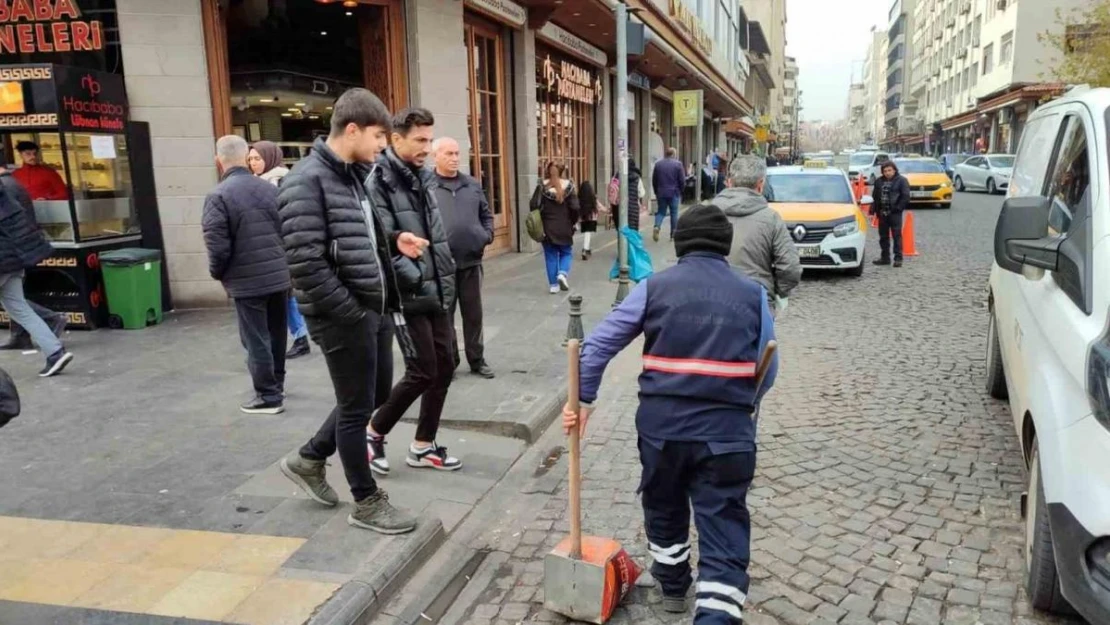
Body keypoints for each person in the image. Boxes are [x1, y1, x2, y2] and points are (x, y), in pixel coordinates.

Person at [563, 203, 777, 625]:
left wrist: (582, 402)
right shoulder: (753, 294)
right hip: (728, 434)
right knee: (723, 521)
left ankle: (674, 586)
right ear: (726, 246)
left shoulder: (654, 287)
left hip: (662, 431)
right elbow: (768, 371)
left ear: (679, 243)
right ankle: (715, 616)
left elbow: (597, 347)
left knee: (664, 506)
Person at [277, 88, 423, 534]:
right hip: (343, 316)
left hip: (370, 308)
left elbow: (354, 237)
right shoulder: (305, 182)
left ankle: (309, 458)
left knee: (372, 396)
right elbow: (305, 265)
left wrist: (392, 242)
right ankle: (366, 501)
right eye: (380, 135)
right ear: (353, 129)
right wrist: (353, 313)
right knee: (356, 408)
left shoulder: (354, 175)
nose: (384, 144)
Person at [366, 107, 462, 474]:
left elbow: (434, 238)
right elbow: (381, 242)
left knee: (446, 365)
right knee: (422, 369)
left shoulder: (423, 178)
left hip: (437, 289)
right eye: (420, 140)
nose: (427, 147)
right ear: (396, 139)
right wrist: (413, 274)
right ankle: (373, 432)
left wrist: (441, 275)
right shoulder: (379, 182)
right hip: (408, 292)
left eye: (429, 139)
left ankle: (423, 445)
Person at [202, 135, 291, 415]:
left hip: (247, 281)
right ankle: (277, 383)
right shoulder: (271, 190)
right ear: (245, 158)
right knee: (277, 333)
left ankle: (268, 396)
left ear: (219, 161)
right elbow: (288, 230)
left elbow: (217, 245)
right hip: (279, 275)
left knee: (255, 339)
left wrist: (219, 273)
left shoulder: (218, 196)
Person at [431, 137, 495, 380]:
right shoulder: (427, 186)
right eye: (448, 153)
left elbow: (486, 214)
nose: (455, 158)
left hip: (471, 262)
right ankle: (449, 362)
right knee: (445, 317)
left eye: (457, 153)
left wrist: (486, 235)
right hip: (441, 266)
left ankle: (477, 360)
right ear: (435, 156)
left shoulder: (472, 185)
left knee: (473, 315)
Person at [0, 183, 73, 377]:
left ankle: (55, 352)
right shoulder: (6, 194)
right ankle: (55, 352)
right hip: (14, 261)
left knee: (19, 308)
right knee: (19, 308)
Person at [716, 155, 802, 311]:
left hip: (712, 299)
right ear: (761, 184)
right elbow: (790, 268)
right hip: (756, 302)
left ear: (729, 183)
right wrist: (773, 290)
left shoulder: (705, 213)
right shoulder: (771, 219)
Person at [250, 141, 310, 360]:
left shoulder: (279, 180)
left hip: (283, 245)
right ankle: (299, 335)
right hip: (274, 246)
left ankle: (300, 336)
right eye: (251, 159)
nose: (253, 163)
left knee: (286, 293)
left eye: (258, 158)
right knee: (285, 294)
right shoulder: (259, 181)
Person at [532, 162, 579, 294]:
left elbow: (533, 204)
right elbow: (575, 207)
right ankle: (562, 274)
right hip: (565, 226)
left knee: (550, 255)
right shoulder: (569, 187)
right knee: (566, 252)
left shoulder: (542, 187)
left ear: (547, 171)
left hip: (547, 228)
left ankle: (553, 286)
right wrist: (573, 222)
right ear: (562, 172)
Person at [872, 161, 910, 268]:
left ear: (894, 170)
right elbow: (875, 197)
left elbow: (905, 196)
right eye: (885, 171)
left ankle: (898, 258)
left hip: (894, 214)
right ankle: (885, 258)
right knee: (883, 237)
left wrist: (898, 208)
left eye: (889, 170)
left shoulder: (902, 180)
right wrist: (874, 210)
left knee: (896, 236)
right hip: (882, 213)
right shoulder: (879, 181)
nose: (887, 173)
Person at [652, 147, 686, 242]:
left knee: (661, 212)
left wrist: (656, 191)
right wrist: (681, 191)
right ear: (674, 154)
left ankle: (657, 226)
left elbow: (654, 180)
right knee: (674, 213)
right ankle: (673, 235)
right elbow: (682, 180)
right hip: (674, 193)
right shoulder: (678, 165)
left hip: (661, 192)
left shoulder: (658, 165)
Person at [577, 180, 603, 260]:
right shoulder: (592, 197)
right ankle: (585, 249)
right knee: (588, 233)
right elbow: (599, 206)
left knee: (586, 232)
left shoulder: (579, 198)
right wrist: (608, 210)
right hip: (592, 218)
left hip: (583, 218)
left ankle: (586, 248)